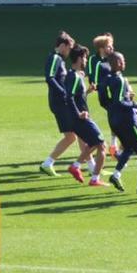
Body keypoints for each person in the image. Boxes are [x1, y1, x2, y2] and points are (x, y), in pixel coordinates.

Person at [102, 52, 137, 194]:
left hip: (113, 120)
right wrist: (134, 104)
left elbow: (104, 101)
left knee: (128, 148)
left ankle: (116, 175)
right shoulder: (119, 80)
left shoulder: (105, 79)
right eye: (123, 60)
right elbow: (120, 101)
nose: (124, 62)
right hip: (127, 120)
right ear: (117, 63)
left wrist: (113, 109)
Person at [64, 45, 109, 187]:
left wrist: (87, 92)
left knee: (96, 144)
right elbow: (68, 97)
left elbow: (76, 96)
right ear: (79, 58)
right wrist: (78, 114)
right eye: (84, 57)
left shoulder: (77, 76)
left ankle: (76, 166)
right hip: (81, 119)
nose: (86, 60)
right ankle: (94, 178)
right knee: (102, 146)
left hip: (80, 118)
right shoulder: (74, 76)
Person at [40, 31, 82, 176]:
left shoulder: (58, 59)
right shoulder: (55, 58)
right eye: (69, 48)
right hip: (59, 102)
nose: (70, 51)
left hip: (60, 101)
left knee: (75, 134)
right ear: (63, 45)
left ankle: (91, 165)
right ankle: (48, 163)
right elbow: (49, 78)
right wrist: (63, 93)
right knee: (74, 135)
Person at [86, 33, 118, 157]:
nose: (112, 49)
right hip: (105, 95)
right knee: (116, 119)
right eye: (109, 46)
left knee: (116, 119)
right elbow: (92, 78)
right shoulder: (94, 60)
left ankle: (115, 146)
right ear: (101, 48)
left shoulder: (113, 59)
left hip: (115, 93)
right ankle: (115, 146)